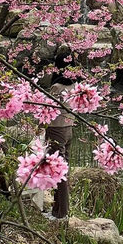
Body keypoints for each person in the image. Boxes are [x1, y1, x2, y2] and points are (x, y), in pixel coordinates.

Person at [45, 64, 75, 220]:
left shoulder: (56, 87)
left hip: (56, 129)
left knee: (58, 171)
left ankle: (61, 212)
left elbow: (48, 109)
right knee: (64, 170)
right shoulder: (74, 85)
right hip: (69, 128)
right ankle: (58, 209)